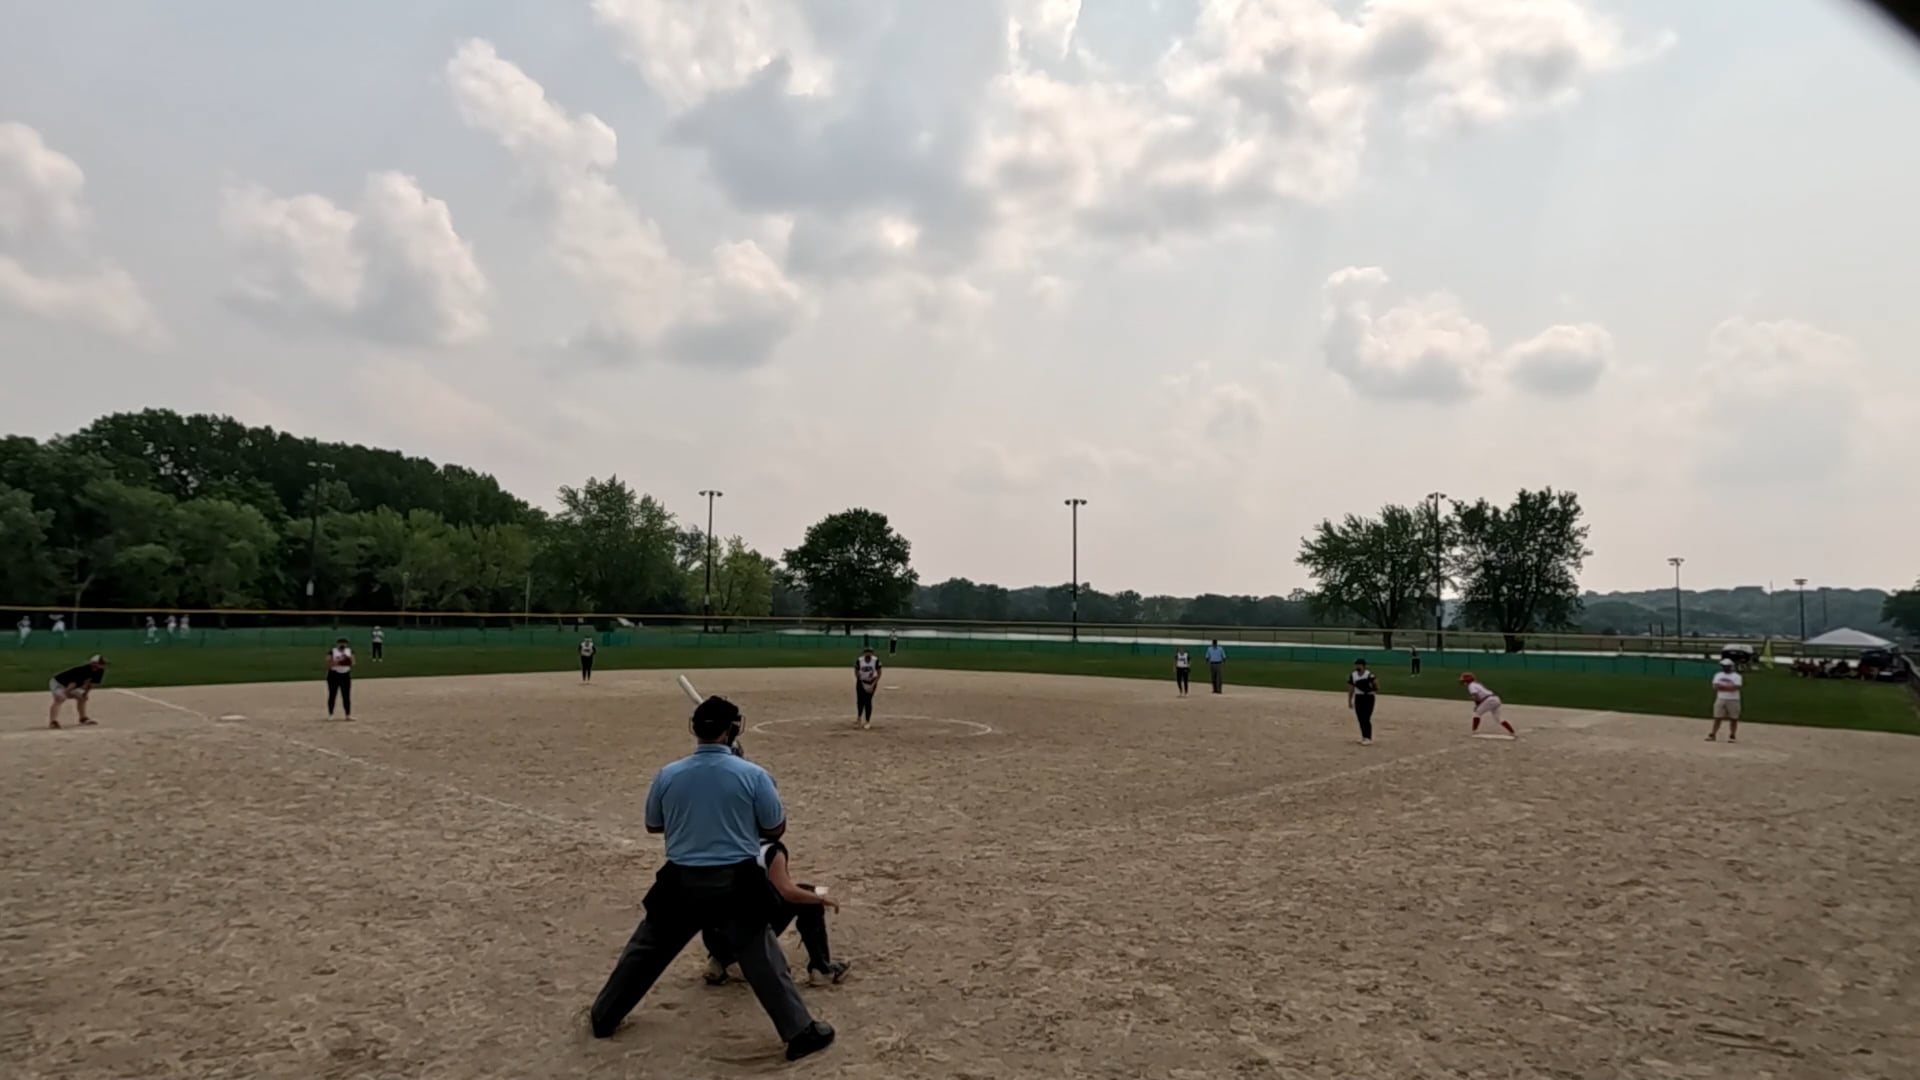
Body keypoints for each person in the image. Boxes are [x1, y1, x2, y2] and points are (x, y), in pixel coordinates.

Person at [588, 696, 834, 1061]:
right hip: (736, 881)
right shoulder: (754, 775)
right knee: (762, 957)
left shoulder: (668, 773)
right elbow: (774, 828)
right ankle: (799, 1032)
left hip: (679, 880)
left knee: (645, 951)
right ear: (731, 730)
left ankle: (604, 1016)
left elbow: (654, 824)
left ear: (695, 729)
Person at [701, 833, 852, 988]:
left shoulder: (723, 843)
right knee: (806, 894)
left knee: (729, 903)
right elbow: (787, 892)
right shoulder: (770, 851)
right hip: (746, 937)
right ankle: (821, 968)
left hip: (714, 938)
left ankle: (719, 961)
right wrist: (820, 898)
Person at [48, 655, 107, 729]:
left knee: (82, 698)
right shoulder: (82, 670)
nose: (103, 665)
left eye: (103, 663)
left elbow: (91, 684)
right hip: (58, 683)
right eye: (101, 663)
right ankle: (53, 722)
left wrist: (85, 694)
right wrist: (66, 692)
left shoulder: (100, 671)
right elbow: (73, 683)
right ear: (93, 663)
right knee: (60, 698)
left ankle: (83, 718)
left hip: (71, 685)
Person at [1460, 672, 1517, 737]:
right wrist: (1478, 704)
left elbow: (1476, 696)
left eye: (1464, 680)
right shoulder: (1476, 684)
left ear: (1467, 680)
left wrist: (1477, 705)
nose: (1463, 681)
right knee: (1498, 718)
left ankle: (1474, 731)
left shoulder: (1471, 686)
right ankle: (1512, 732)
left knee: (1476, 713)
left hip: (1489, 700)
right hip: (1495, 699)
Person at [1706, 658, 1743, 743]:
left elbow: (1736, 687)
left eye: (1726, 666)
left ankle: (1732, 735)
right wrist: (1728, 687)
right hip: (1721, 698)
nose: (1725, 668)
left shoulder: (1737, 676)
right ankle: (1713, 734)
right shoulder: (1718, 675)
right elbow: (1715, 686)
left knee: (1733, 718)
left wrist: (1722, 687)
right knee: (1717, 717)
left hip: (1733, 699)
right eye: (1723, 666)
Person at [1348, 658, 1379, 745]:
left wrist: (1372, 689)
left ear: (1364, 666)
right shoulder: (1353, 675)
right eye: (1356, 665)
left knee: (1366, 717)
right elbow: (1351, 688)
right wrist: (1350, 700)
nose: (1357, 666)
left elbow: (1376, 684)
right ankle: (1364, 737)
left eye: (1359, 665)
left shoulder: (1369, 674)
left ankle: (1368, 737)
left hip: (1368, 697)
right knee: (1360, 718)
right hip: (1359, 697)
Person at [326, 637, 354, 720]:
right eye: (341, 643)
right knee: (332, 695)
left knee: (346, 695)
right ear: (337, 644)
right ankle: (331, 714)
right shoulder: (332, 651)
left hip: (345, 675)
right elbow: (328, 663)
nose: (342, 645)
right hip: (334, 675)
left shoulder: (349, 651)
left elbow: (353, 662)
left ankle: (348, 715)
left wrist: (348, 661)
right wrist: (340, 662)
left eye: (344, 643)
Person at [854, 647, 882, 729]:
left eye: (870, 652)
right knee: (860, 701)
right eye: (866, 652)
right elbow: (856, 671)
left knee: (868, 701)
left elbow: (879, 673)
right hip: (861, 682)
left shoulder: (875, 660)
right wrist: (859, 681)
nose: (868, 653)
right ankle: (859, 717)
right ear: (864, 653)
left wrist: (874, 683)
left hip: (871, 682)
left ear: (872, 653)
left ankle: (867, 721)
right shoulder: (860, 660)